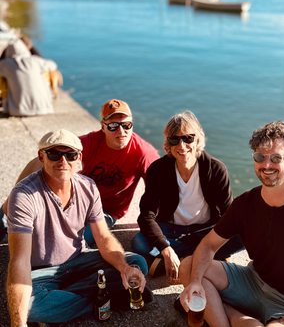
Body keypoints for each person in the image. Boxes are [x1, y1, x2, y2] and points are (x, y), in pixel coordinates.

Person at [179, 121, 284, 327]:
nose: (266, 165)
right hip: (253, 281)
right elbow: (208, 245)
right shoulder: (245, 203)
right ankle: (230, 321)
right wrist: (196, 281)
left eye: (276, 158)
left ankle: (231, 315)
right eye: (260, 157)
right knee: (189, 266)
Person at [6, 128, 150, 326]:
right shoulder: (24, 196)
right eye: (55, 154)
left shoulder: (88, 187)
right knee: (29, 307)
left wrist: (124, 268)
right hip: (41, 271)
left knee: (136, 264)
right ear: (41, 156)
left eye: (70, 155)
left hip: (79, 259)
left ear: (79, 158)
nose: (63, 161)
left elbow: (104, 238)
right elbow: (19, 261)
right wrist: (18, 323)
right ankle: (101, 299)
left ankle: (73, 299)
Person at [1, 98, 160, 245]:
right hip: (76, 202)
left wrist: (160, 230)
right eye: (113, 126)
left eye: (126, 125)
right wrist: (14, 199)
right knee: (8, 218)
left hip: (106, 211)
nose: (121, 131)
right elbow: (41, 159)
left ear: (132, 124)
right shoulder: (91, 142)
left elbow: (158, 191)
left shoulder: (143, 153)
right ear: (103, 127)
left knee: (70, 244)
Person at [132, 111, 243, 281]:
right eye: (174, 140)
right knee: (139, 242)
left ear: (198, 139)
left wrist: (214, 239)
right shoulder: (158, 170)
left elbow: (230, 216)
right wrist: (166, 250)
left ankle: (184, 259)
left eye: (188, 138)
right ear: (168, 143)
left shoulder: (216, 170)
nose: (181, 146)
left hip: (206, 230)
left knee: (244, 236)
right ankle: (203, 257)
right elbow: (146, 215)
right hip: (171, 230)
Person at [0, 38, 57, 116]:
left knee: (3, 77)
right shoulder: (35, 60)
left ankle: (5, 102)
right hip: (44, 109)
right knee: (44, 72)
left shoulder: (6, 64)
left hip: (17, 110)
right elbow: (53, 65)